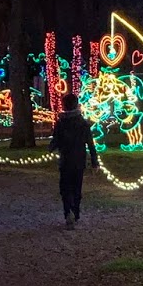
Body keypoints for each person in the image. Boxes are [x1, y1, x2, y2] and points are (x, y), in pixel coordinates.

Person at [48, 92, 98, 227]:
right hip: (79, 160)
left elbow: (56, 140)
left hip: (65, 160)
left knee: (65, 188)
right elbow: (90, 144)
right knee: (76, 187)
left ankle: (68, 212)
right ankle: (75, 212)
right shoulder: (83, 123)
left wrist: (51, 148)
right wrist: (94, 161)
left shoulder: (61, 123)